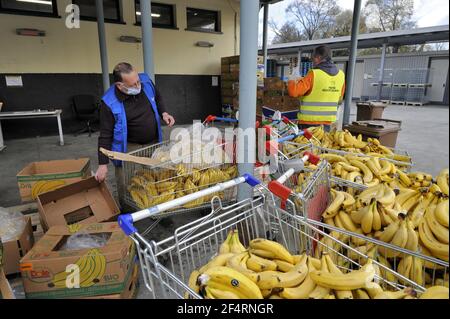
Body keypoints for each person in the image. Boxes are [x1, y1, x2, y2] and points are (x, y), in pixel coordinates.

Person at [95, 62, 175, 210]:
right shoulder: (109, 102)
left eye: (138, 80)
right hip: (127, 147)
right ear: (120, 85)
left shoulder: (145, 82)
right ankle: (128, 213)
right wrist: (102, 165)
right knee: (126, 182)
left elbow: (158, 97)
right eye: (133, 84)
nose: (138, 85)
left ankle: (159, 211)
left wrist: (164, 113)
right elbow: (105, 134)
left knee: (156, 178)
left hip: (152, 142)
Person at [288, 45, 346, 130]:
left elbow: (293, 92)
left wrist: (291, 80)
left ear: (318, 57)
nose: (312, 61)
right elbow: (340, 97)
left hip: (308, 124)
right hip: (327, 124)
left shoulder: (313, 74)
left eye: (313, 58)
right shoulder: (341, 75)